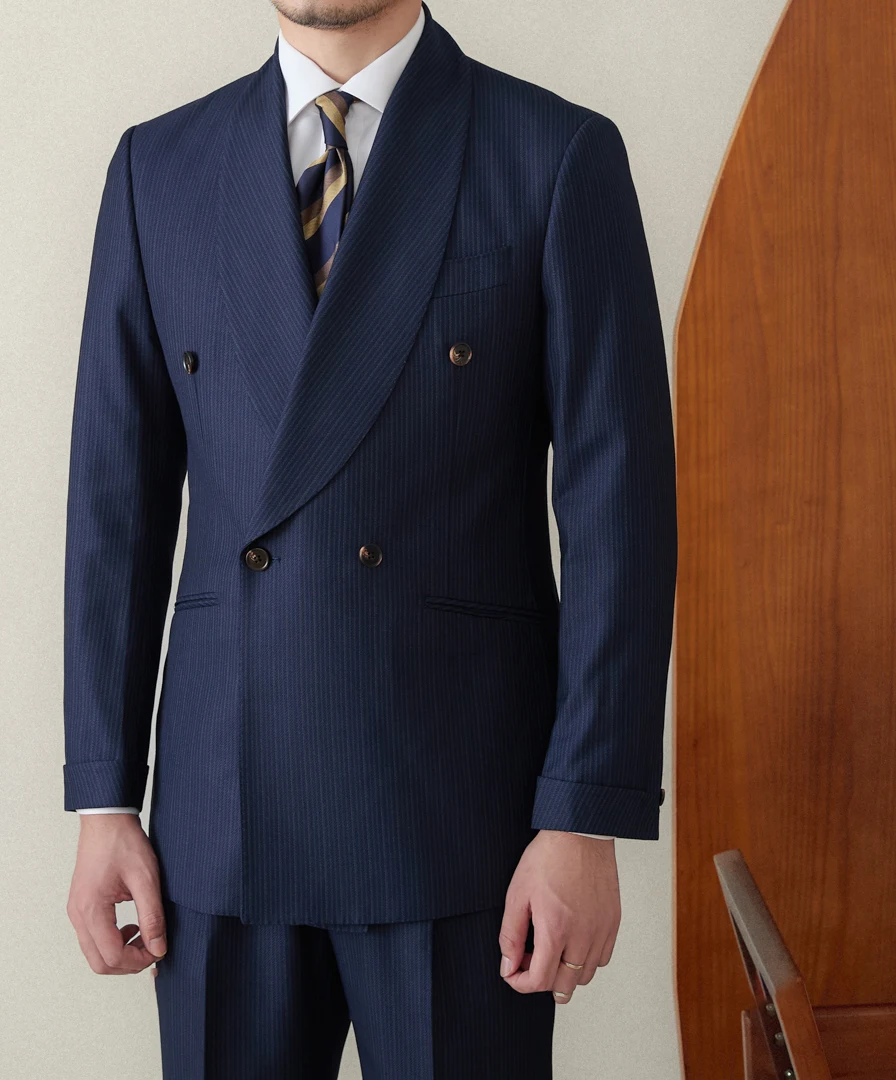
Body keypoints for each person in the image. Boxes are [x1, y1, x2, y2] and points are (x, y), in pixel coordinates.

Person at [62, 1, 677, 1075]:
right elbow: (115, 508)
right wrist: (104, 796)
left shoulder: (553, 154)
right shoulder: (157, 169)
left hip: (464, 817)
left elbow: (617, 510)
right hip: (222, 810)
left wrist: (584, 815)